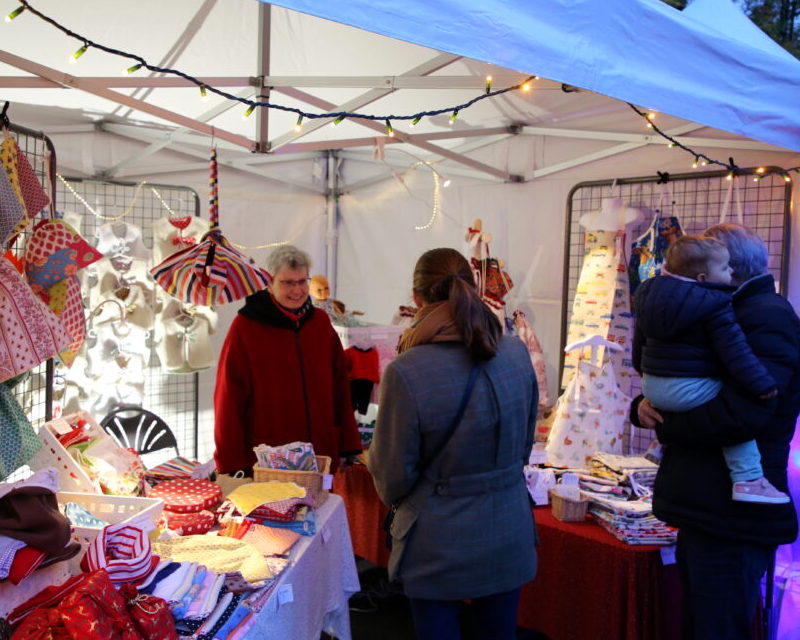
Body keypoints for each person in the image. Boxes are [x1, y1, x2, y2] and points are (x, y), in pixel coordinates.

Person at [632, 223, 800, 639]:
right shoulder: (720, 307)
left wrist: (667, 424)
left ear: (726, 270)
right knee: (702, 621)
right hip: (709, 505)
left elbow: (745, 414)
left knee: (717, 625)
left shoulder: (765, 316)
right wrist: (643, 406)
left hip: (733, 514)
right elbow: (678, 374)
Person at [368, 247, 538, 640]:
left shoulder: (407, 371)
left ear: (417, 299)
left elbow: (392, 477)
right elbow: (525, 447)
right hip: (508, 526)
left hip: (438, 539)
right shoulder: (515, 353)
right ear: (473, 288)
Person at [632, 234, 787, 504]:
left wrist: (648, 388)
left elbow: (640, 346)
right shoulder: (716, 304)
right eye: (724, 267)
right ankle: (749, 478)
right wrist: (762, 385)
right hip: (711, 495)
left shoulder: (651, 295)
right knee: (717, 392)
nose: (729, 272)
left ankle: (658, 446)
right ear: (704, 276)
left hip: (655, 387)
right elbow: (736, 356)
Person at [213, 245, 361, 475]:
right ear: (269, 283)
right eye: (288, 283)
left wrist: (347, 443)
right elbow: (228, 396)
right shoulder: (246, 328)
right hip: (269, 457)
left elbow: (339, 385)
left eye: (302, 281)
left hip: (320, 453)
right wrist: (230, 461)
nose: (297, 290)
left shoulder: (320, 323)